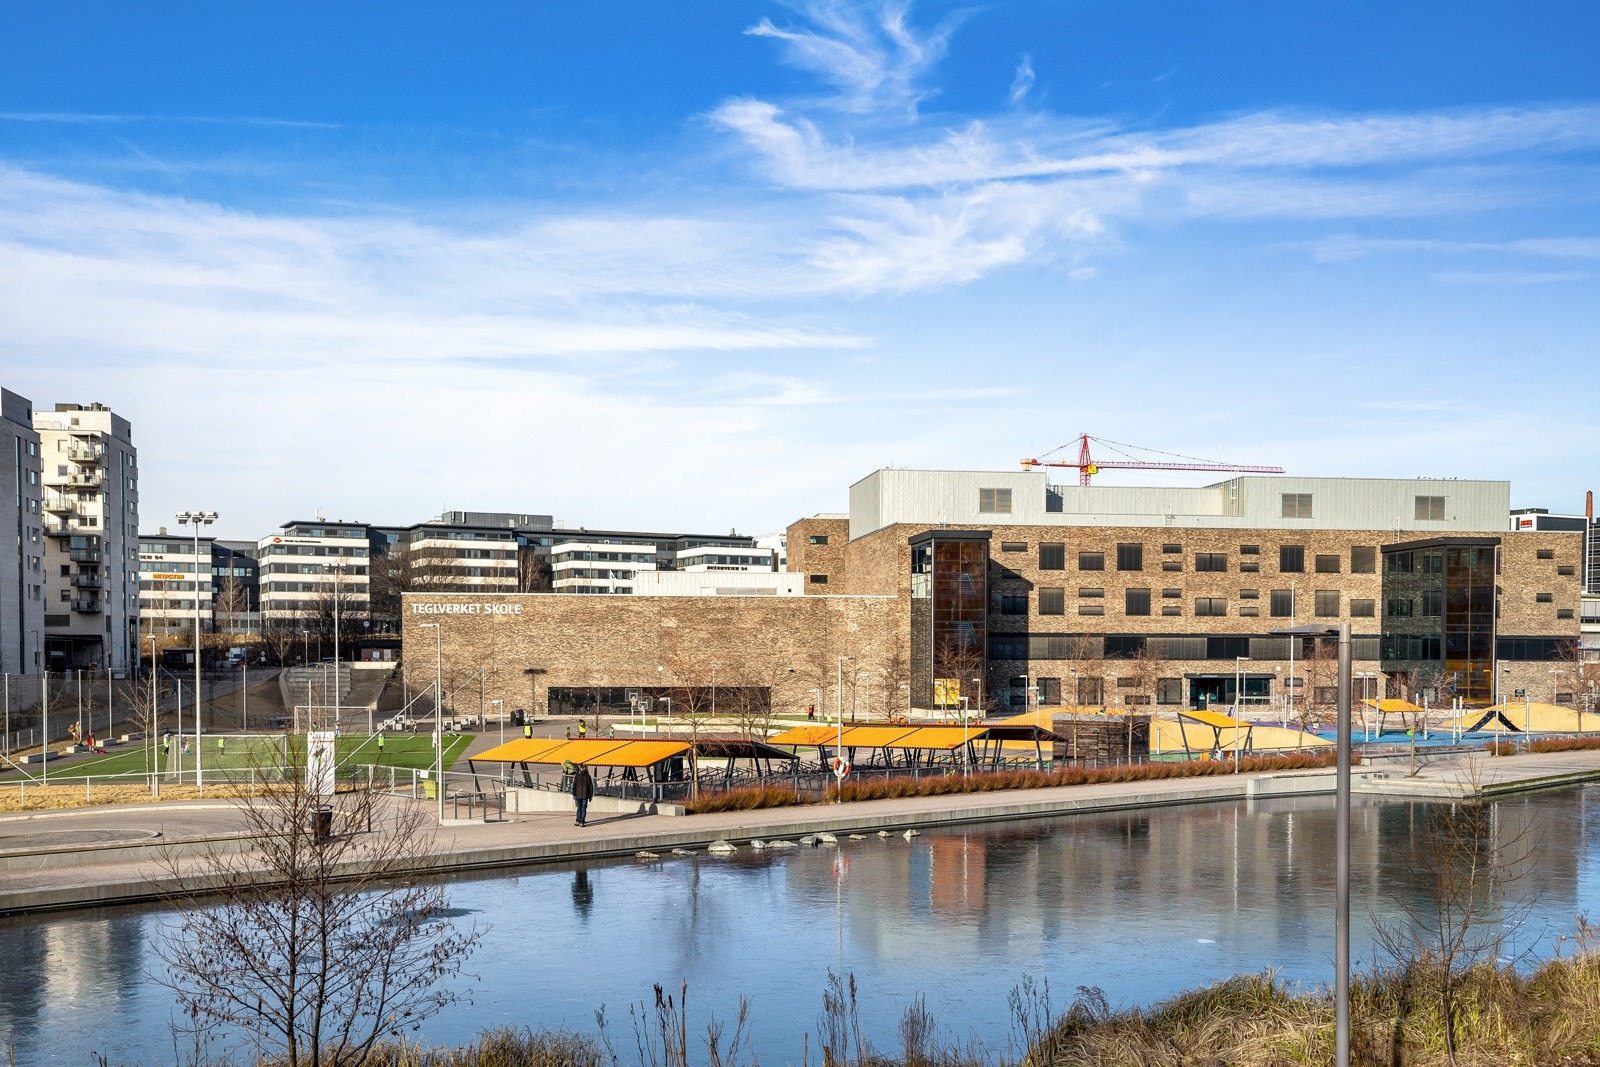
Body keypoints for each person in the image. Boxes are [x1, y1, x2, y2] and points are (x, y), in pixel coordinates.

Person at [571, 762, 594, 827]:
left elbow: (574, 785)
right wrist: (590, 795)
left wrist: (574, 793)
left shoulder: (577, 776)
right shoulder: (588, 776)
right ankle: (582, 821)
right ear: (586, 768)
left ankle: (578, 820)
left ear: (580, 768)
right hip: (585, 795)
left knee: (579, 808)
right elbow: (590, 787)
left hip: (578, 794)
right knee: (583, 808)